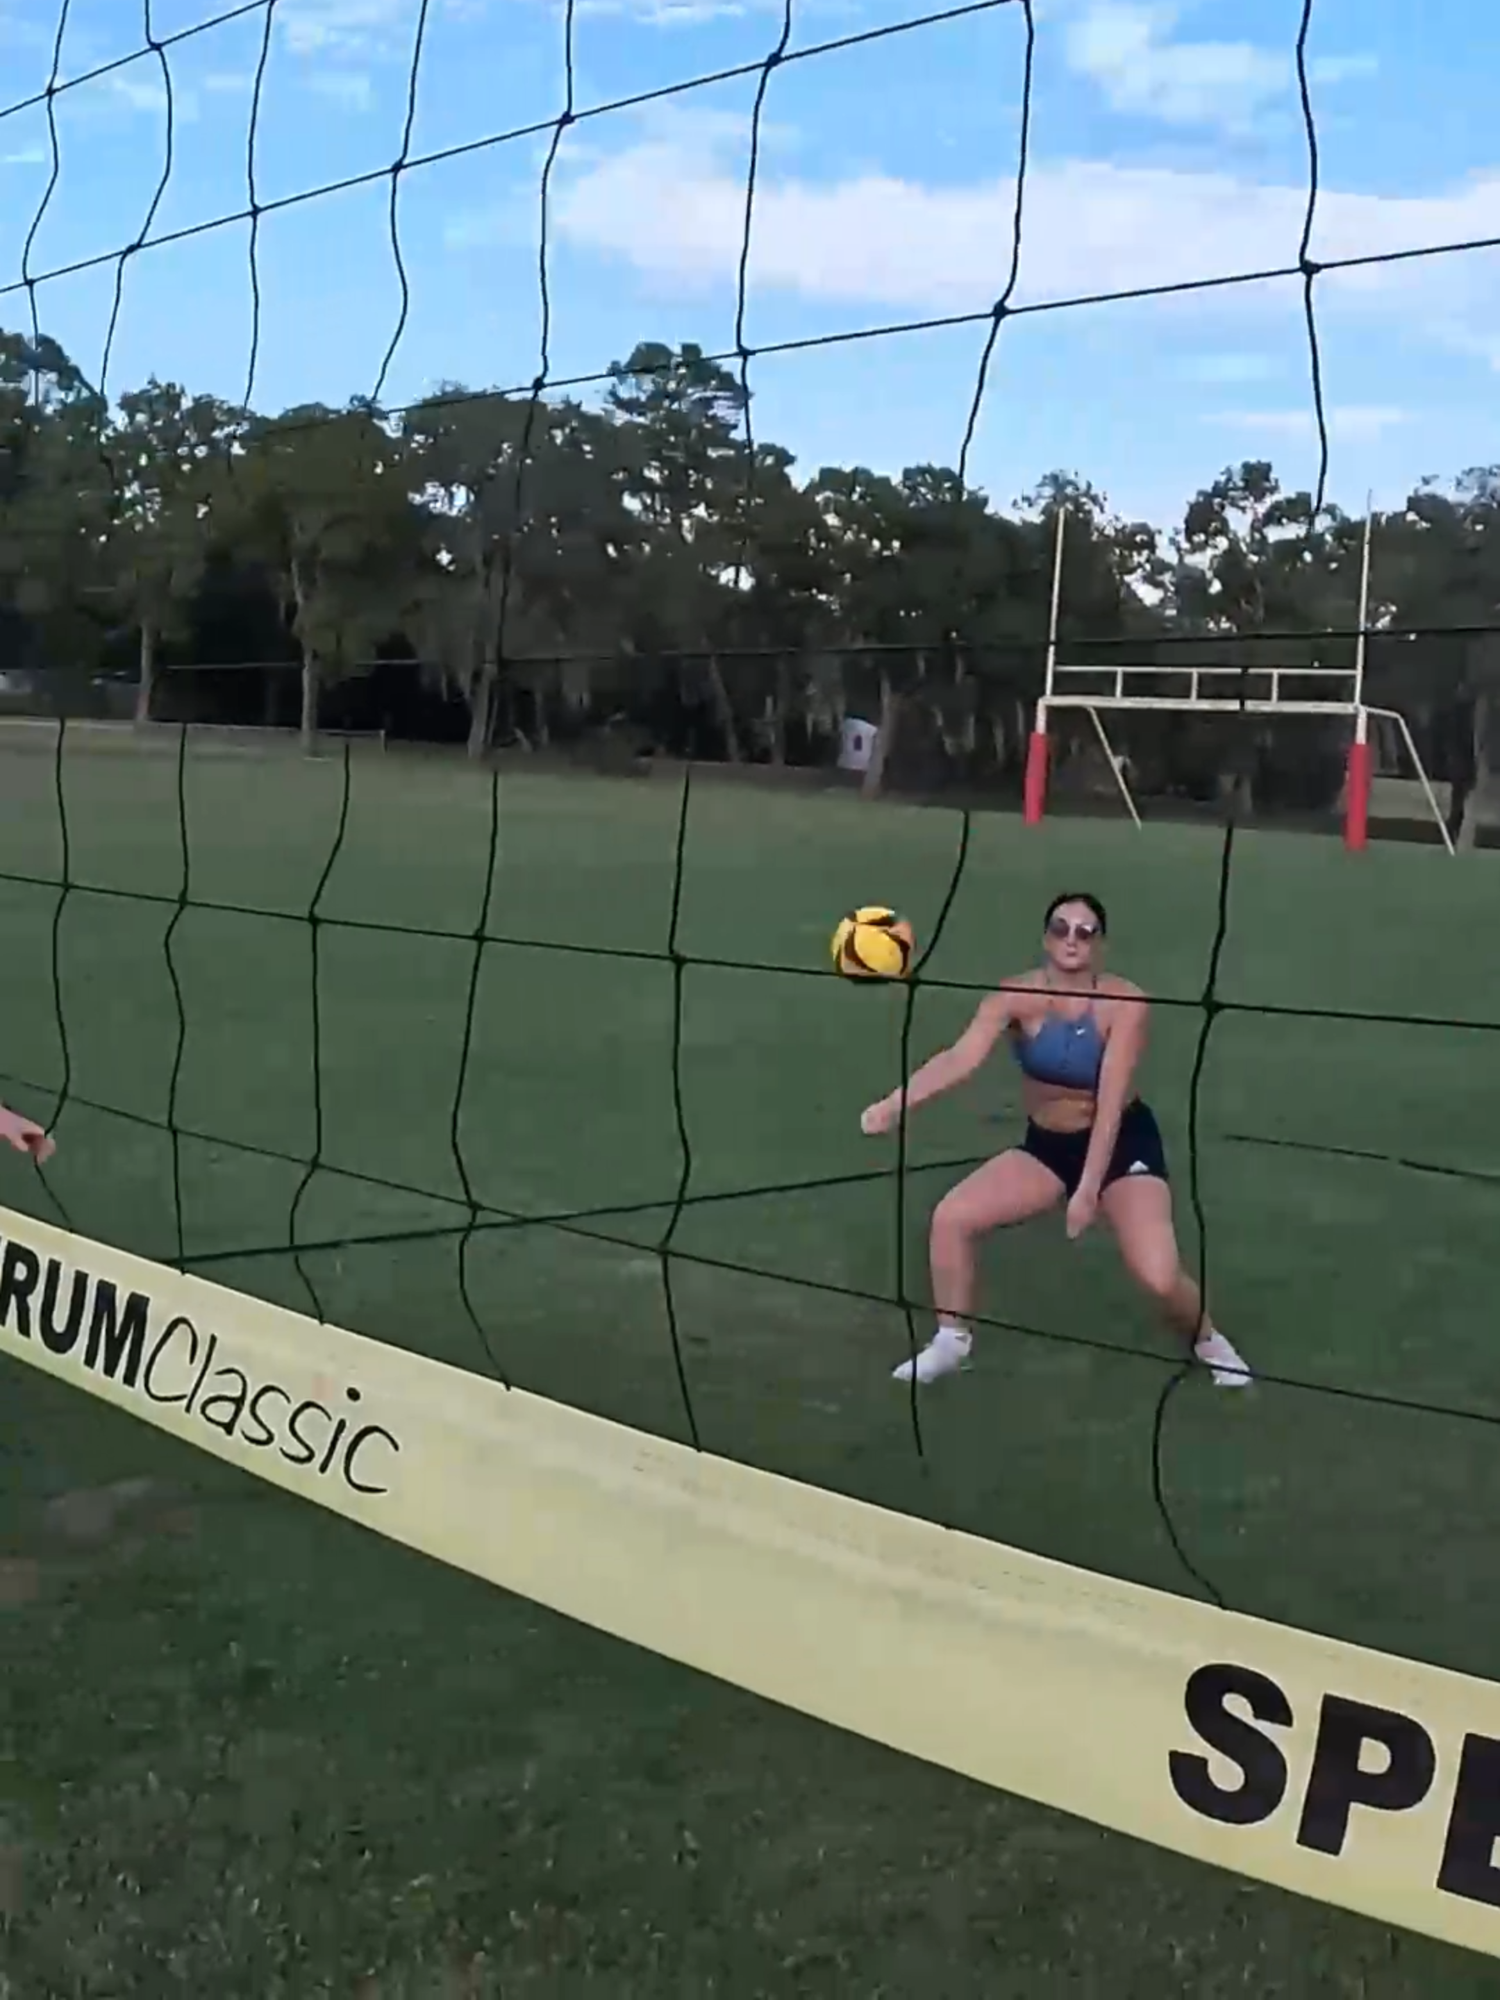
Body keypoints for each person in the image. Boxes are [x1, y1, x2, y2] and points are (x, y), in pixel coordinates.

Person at [860, 890, 1250, 1389]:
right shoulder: (1014, 996)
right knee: (951, 1218)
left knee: (1158, 1275)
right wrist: (895, 1103)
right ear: (1046, 938)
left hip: (1122, 1145)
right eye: (1061, 928)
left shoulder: (1124, 1003)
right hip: (1047, 1147)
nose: (1072, 938)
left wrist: (1089, 1190)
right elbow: (960, 1058)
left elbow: (1110, 1102)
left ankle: (1209, 1342)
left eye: (1084, 931)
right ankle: (950, 1342)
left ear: (1100, 944)